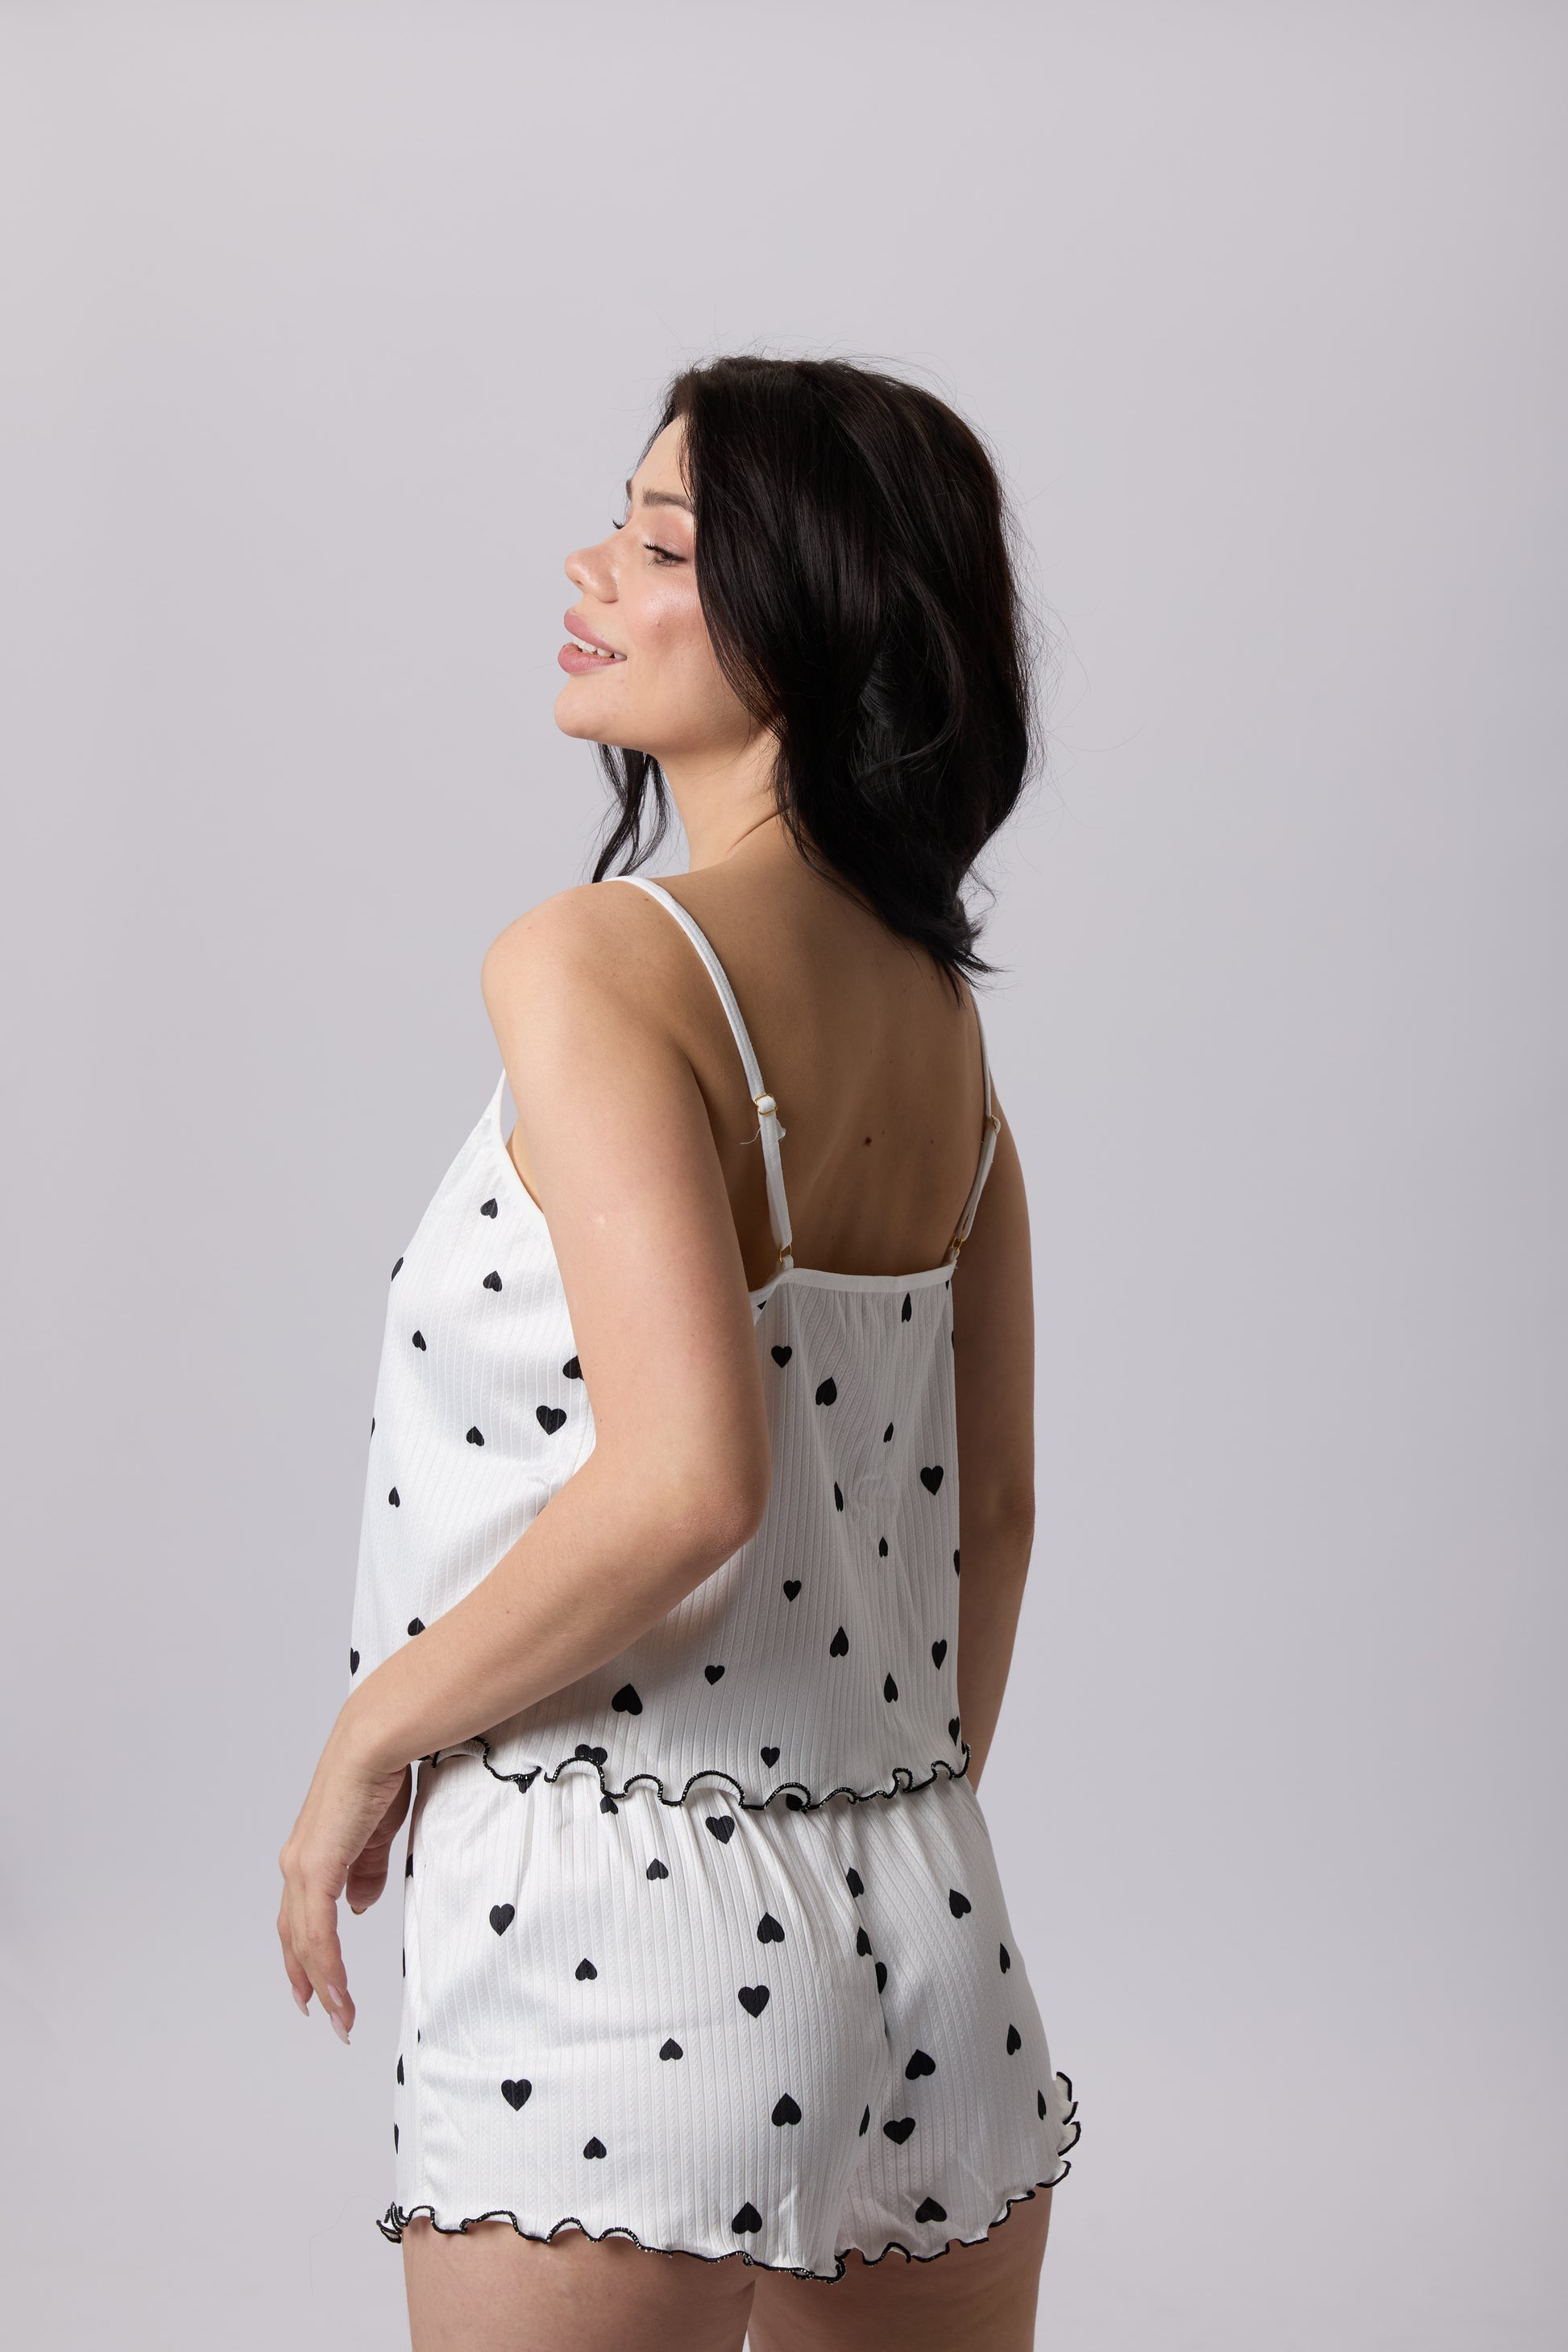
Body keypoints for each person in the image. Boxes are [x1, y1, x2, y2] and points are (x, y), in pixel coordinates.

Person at [276, 352, 1080, 2352]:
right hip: (925, 1912)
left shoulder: (601, 958)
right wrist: (873, 1825)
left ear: (811, 608)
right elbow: (995, 1513)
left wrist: (367, 1737)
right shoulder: (940, 1022)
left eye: (655, 542)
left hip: (605, 1930)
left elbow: (685, 1480)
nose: (588, 567)